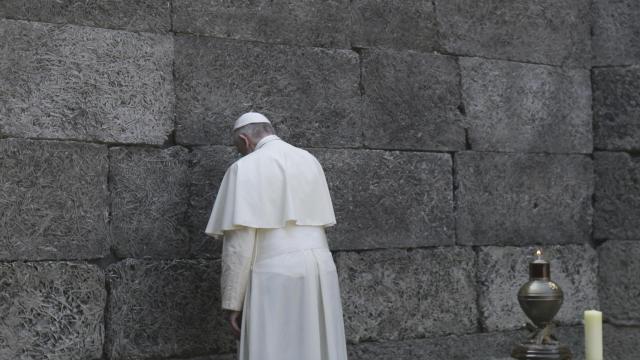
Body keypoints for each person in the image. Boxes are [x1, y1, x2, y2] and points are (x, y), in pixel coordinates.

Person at [205, 112, 348, 360]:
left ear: (244, 140)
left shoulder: (244, 168)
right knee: (317, 347)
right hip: (321, 269)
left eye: (239, 147)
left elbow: (239, 245)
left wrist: (232, 303)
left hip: (274, 273)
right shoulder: (309, 160)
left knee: (275, 349)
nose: (240, 153)